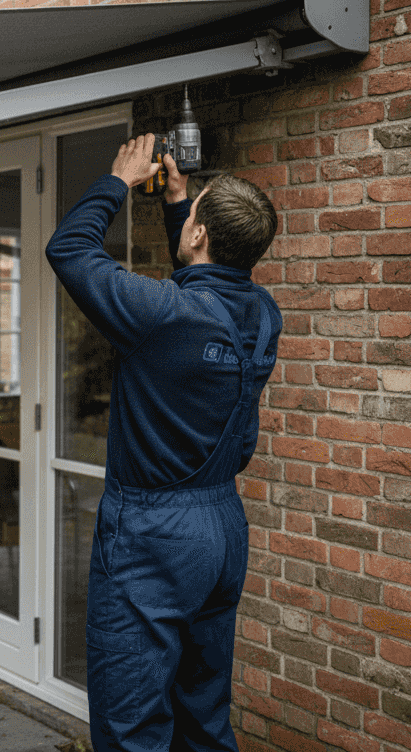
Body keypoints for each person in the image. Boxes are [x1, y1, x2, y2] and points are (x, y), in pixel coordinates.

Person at [46, 133, 282, 752]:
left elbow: (68, 249)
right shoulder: (262, 315)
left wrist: (118, 181)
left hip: (153, 535)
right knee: (202, 713)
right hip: (221, 529)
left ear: (200, 235)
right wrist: (181, 203)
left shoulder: (163, 315)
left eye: (194, 213)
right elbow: (208, 288)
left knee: (132, 724)